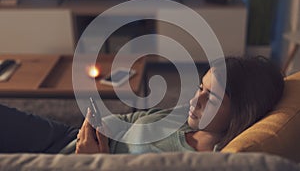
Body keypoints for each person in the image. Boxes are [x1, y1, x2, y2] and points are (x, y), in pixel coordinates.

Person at [0, 56, 284, 154]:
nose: (194, 100)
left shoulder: (198, 160)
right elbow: (135, 117)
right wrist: (95, 125)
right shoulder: (187, 120)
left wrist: (91, 162)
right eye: (200, 87)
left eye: (212, 96)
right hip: (70, 136)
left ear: (242, 110)